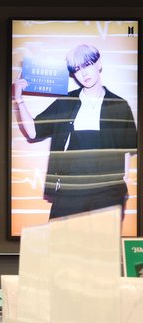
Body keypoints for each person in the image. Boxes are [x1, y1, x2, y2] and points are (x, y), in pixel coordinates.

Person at [14, 44, 137, 220]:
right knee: (62, 245)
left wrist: (120, 186)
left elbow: (127, 149)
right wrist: (19, 99)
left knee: (100, 246)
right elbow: (33, 131)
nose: (84, 73)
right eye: (77, 69)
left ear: (98, 64)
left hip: (107, 193)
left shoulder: (119, 105)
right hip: (70, 191)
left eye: (87, 64)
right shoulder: (66, 102)